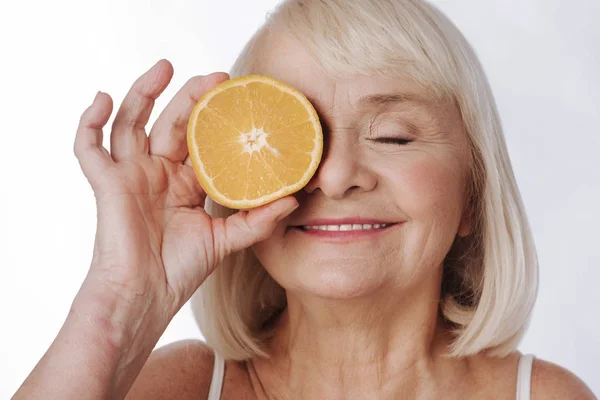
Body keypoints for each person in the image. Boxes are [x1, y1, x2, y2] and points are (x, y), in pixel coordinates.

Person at [13, 0, 596, 399]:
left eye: (392, 134)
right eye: (297, 139)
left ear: (473, 192)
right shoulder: (184, 388)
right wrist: (119, 303)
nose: (337, 176)